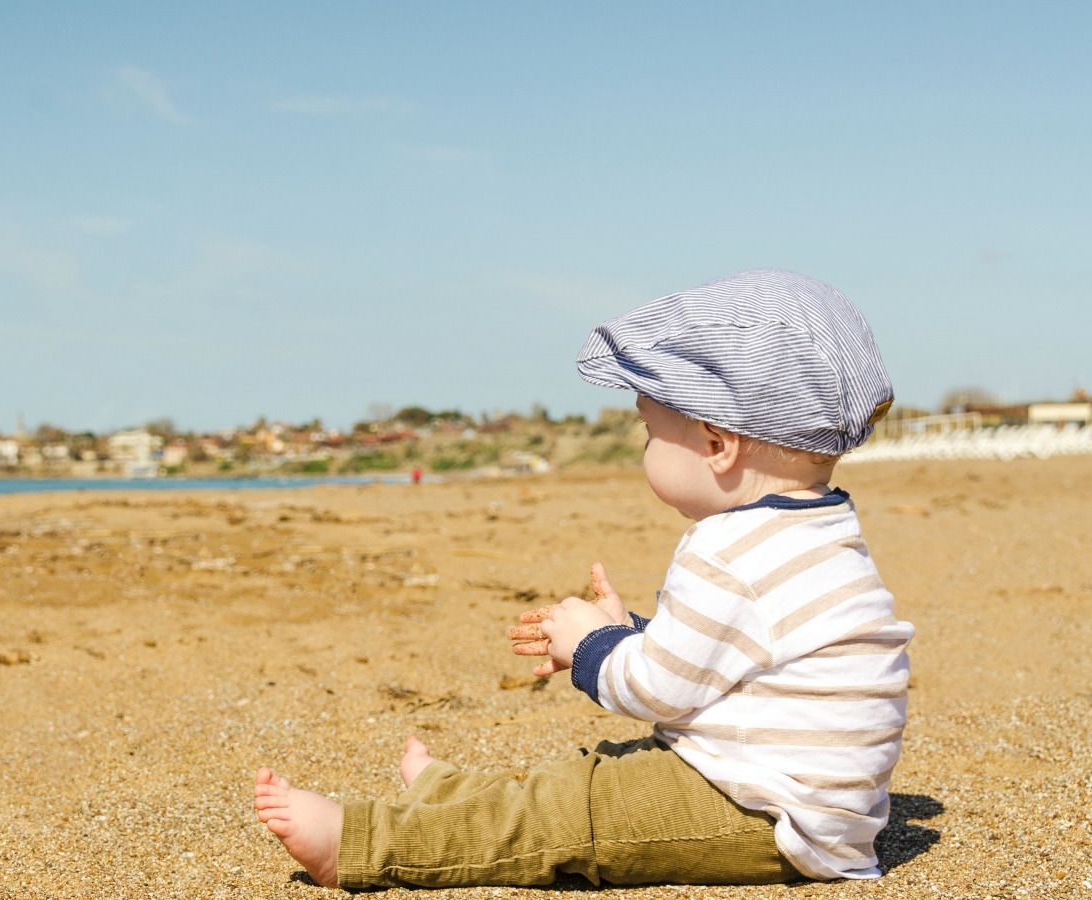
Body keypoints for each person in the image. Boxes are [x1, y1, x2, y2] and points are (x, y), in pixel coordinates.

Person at [253, 269, 913, 888]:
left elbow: (658, 692)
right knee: (596, 772)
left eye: (652, 431)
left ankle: (363, 844)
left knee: (574, 810)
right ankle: (450, 796)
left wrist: (590, 649)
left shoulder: (725, 549)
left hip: (766, 816)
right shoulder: (822, 529)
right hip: (812, 806)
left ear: (717, 444)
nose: (645, 448)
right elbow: (734, 658)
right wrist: (632, 632)